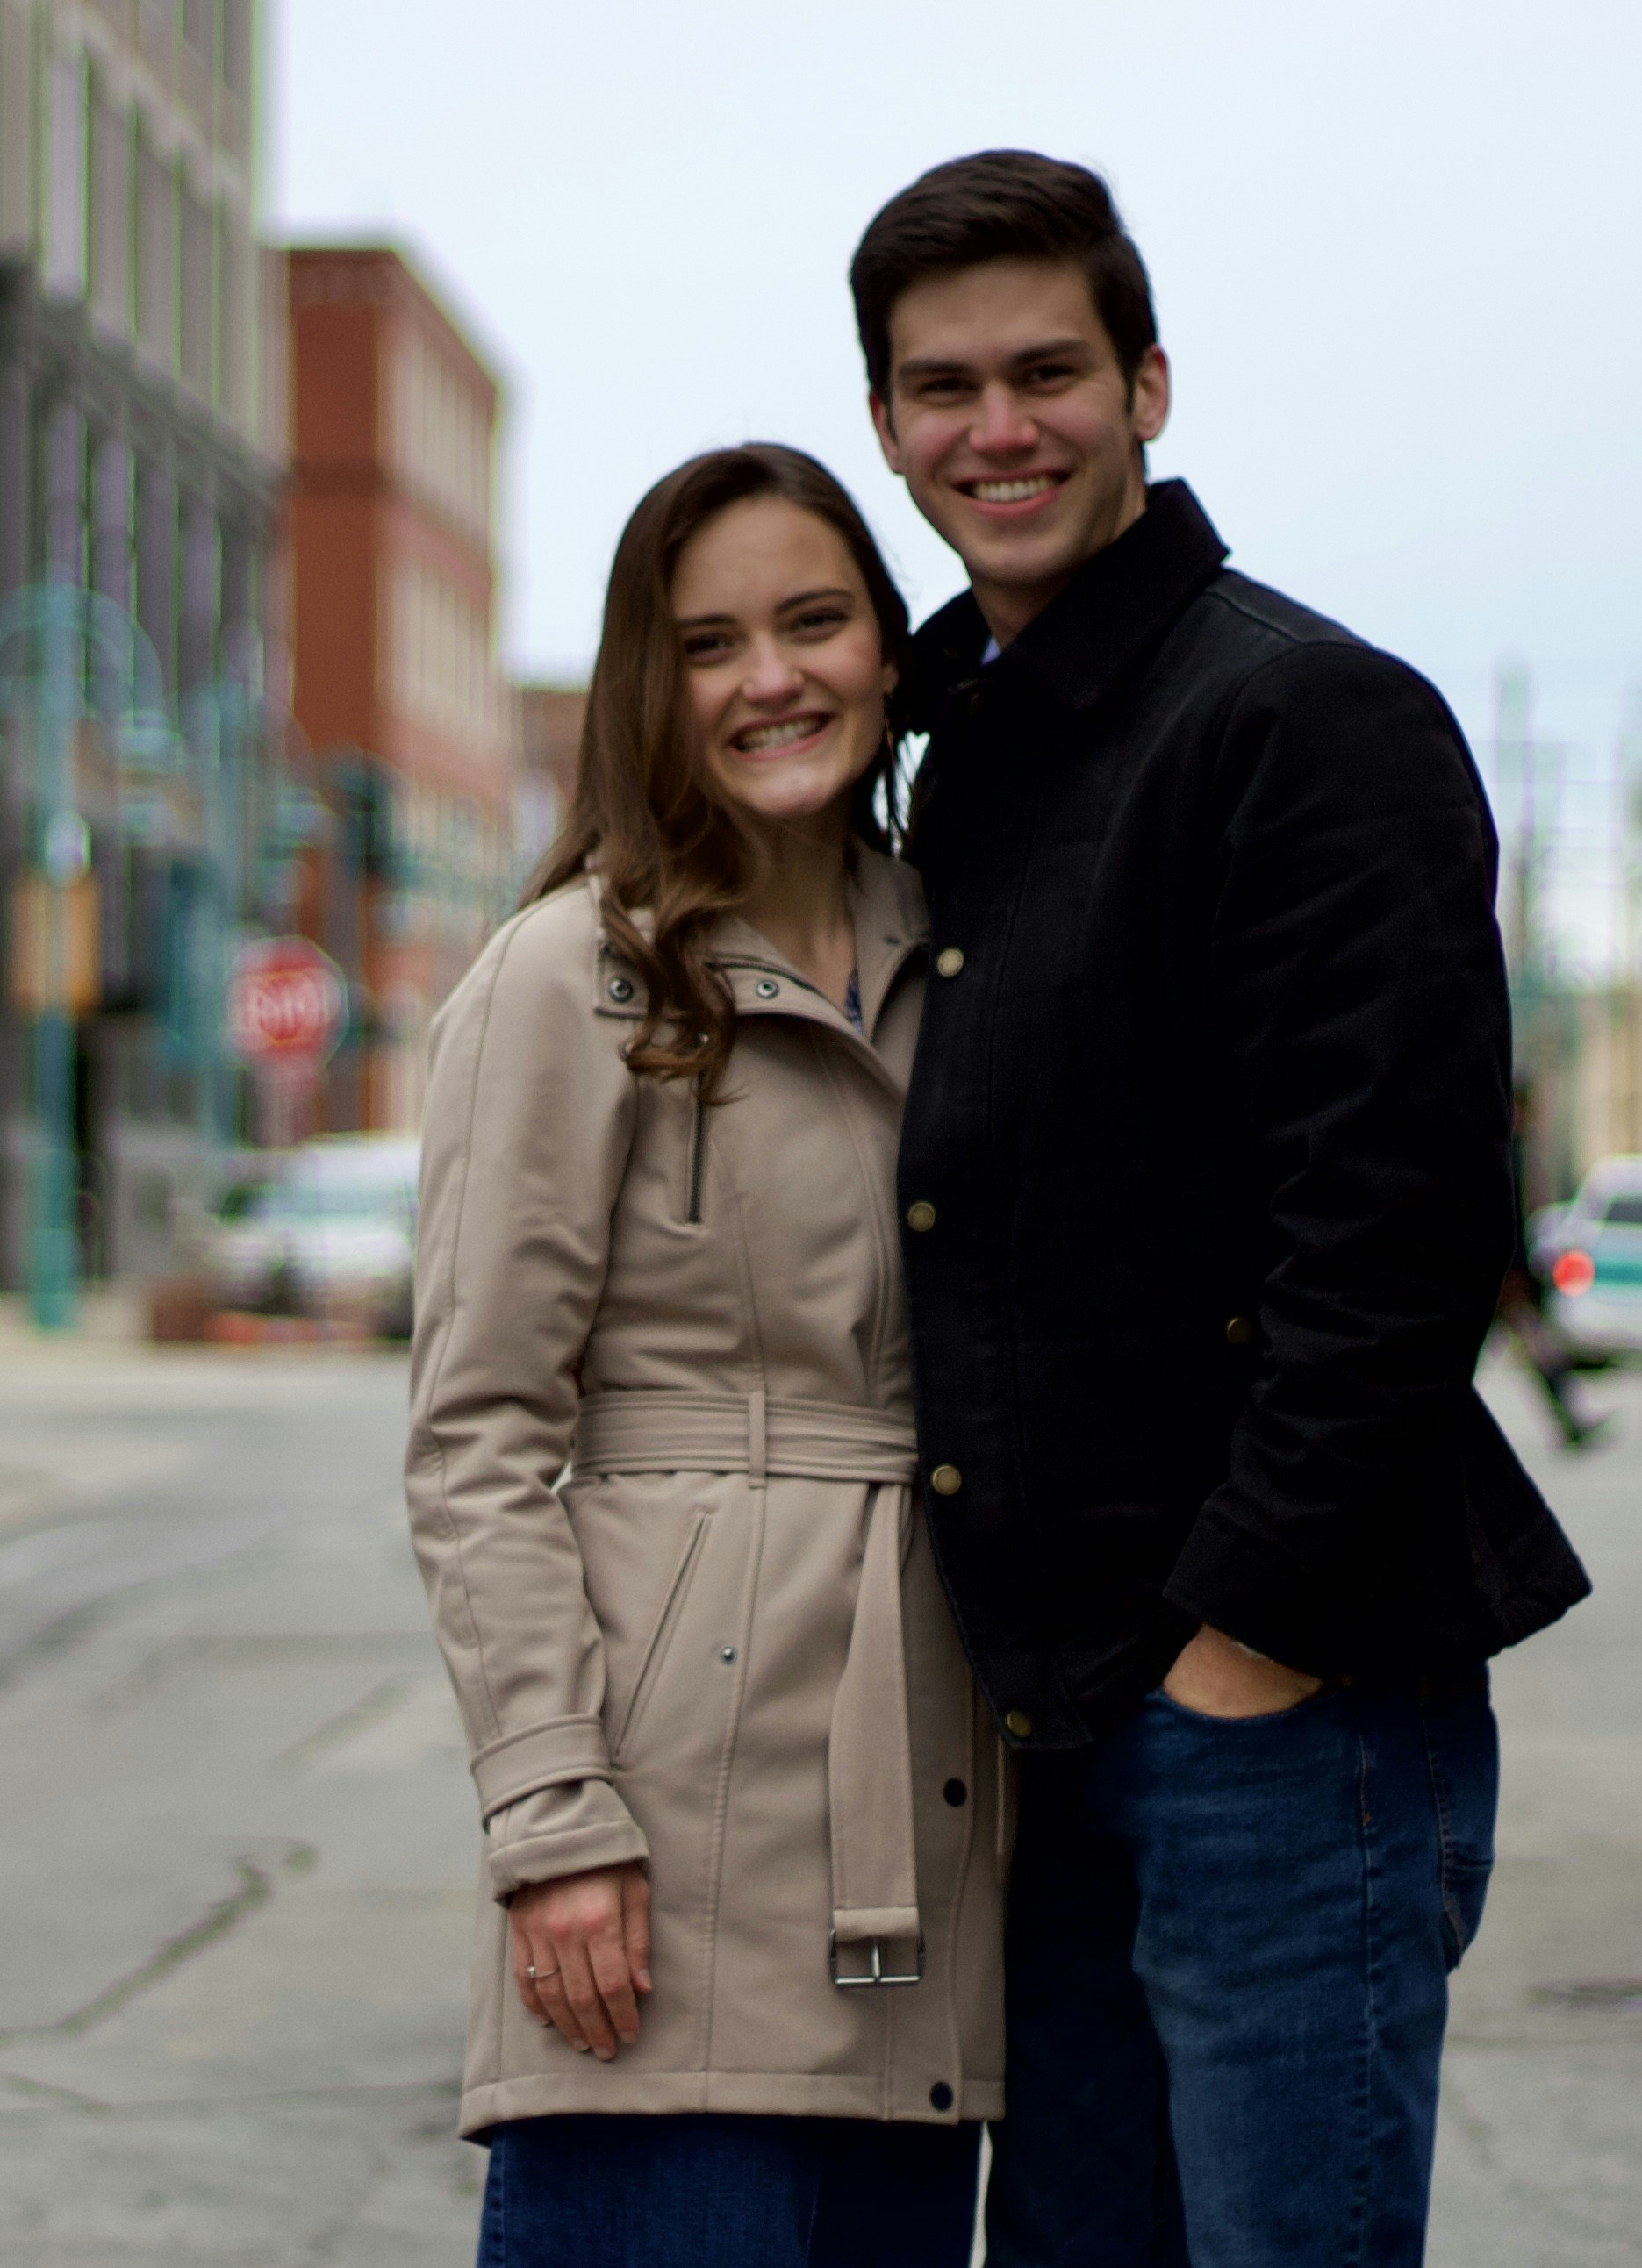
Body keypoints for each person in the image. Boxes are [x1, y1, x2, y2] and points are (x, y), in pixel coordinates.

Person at [850, 152, 1592, 2265]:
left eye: (1044, 372)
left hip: (1281, 1712)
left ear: (1147, 386)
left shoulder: (1301, 718)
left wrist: (1242, 1642)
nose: (995, 428)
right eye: (937, 388)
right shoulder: (957, 751)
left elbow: (1401, 1216)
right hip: (1055, 1720)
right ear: (888, 422)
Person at [406, 444, 1001, 2268]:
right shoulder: (562, 975)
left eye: (814, 621)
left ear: (891, 651)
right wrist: (553, 1813)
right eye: (710, 641)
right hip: (666, 1814)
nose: (772, 678)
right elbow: (479, 1433)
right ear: (648, 688)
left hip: (939, 1785)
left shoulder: (968, 950)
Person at [1500, 1085, 1609, 1451]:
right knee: (1539, 1349)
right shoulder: (1506, 1151)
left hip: (1505, 1276)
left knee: (1540, 1350)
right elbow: (1507, 1219)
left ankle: (1571, 1420)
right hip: (1504, 1278)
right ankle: (1570, 1421)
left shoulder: (1513, 1149)